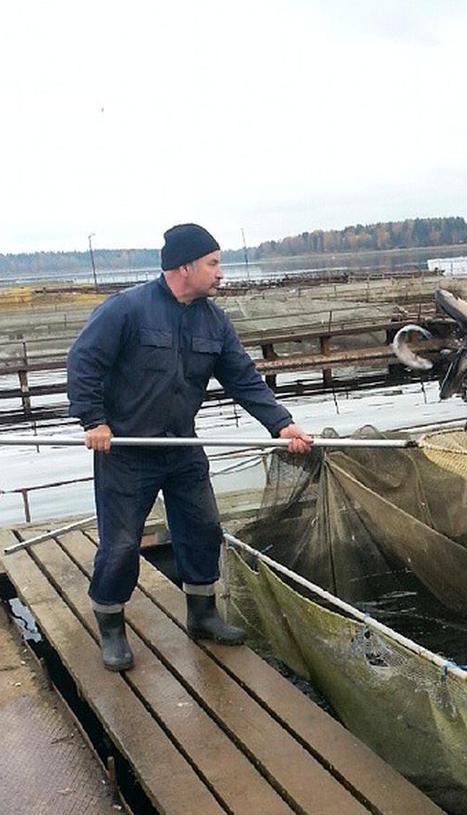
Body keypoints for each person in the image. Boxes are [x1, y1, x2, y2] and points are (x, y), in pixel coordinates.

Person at [67, 223, 312, 672]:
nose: (221, 273)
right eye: (213, 264)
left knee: (203, 529)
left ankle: (203, 615)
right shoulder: (126, 310)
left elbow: (243, 378)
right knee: (120, 545)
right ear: (185, 267)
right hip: (125, 450)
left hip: (181, 446)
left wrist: (283, 425)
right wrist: (94, 421)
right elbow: (83, 362)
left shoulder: (214, 320)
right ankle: (112, 627)